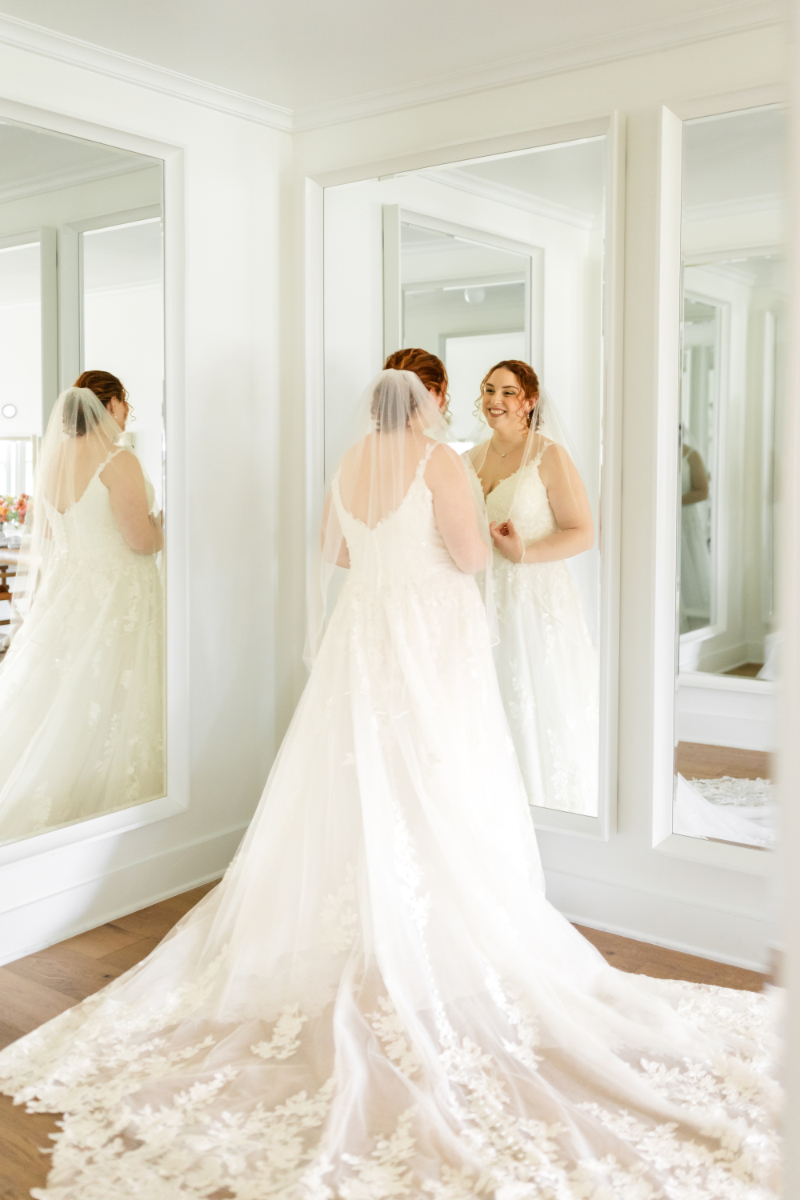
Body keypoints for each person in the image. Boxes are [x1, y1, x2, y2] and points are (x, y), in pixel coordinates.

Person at [0, 370, 776, 1198]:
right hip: (430, 627)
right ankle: (430, 918)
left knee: (355, 765)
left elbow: (335, 552)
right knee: (436, 765)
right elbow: (472, 557)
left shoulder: (348, 459)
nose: (454, 408)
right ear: (426, 404)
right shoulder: (440, 461)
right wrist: (463, 538)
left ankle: (362, 909)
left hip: (362, 628)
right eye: (445, 397)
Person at [0, 372, 164, 842]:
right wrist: (164, 530)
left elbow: (51, 532)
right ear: (109, 405)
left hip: (68, 589)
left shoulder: (51, 462)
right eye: (125, 401)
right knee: (113, 690)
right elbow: (138, 540)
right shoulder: (119, 459)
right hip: (120, 592)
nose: (128, 411)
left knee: (60, 689)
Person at [468, 360, 599, 815]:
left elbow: (583, 531)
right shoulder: (469, 459)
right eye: (488, 390)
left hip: (533, 596)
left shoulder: (549, 456)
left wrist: (524, 553)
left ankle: (544, 805)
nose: (494, 401)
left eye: (507, 392)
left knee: (534, 697)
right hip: (480, 598)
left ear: (529, 401)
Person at [680, 435, 712, 632]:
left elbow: (702, 491)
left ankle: (693, 621)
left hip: (685, 519)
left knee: (689, 567)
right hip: (660, 519)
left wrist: (674, 500)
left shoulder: (691, 455)